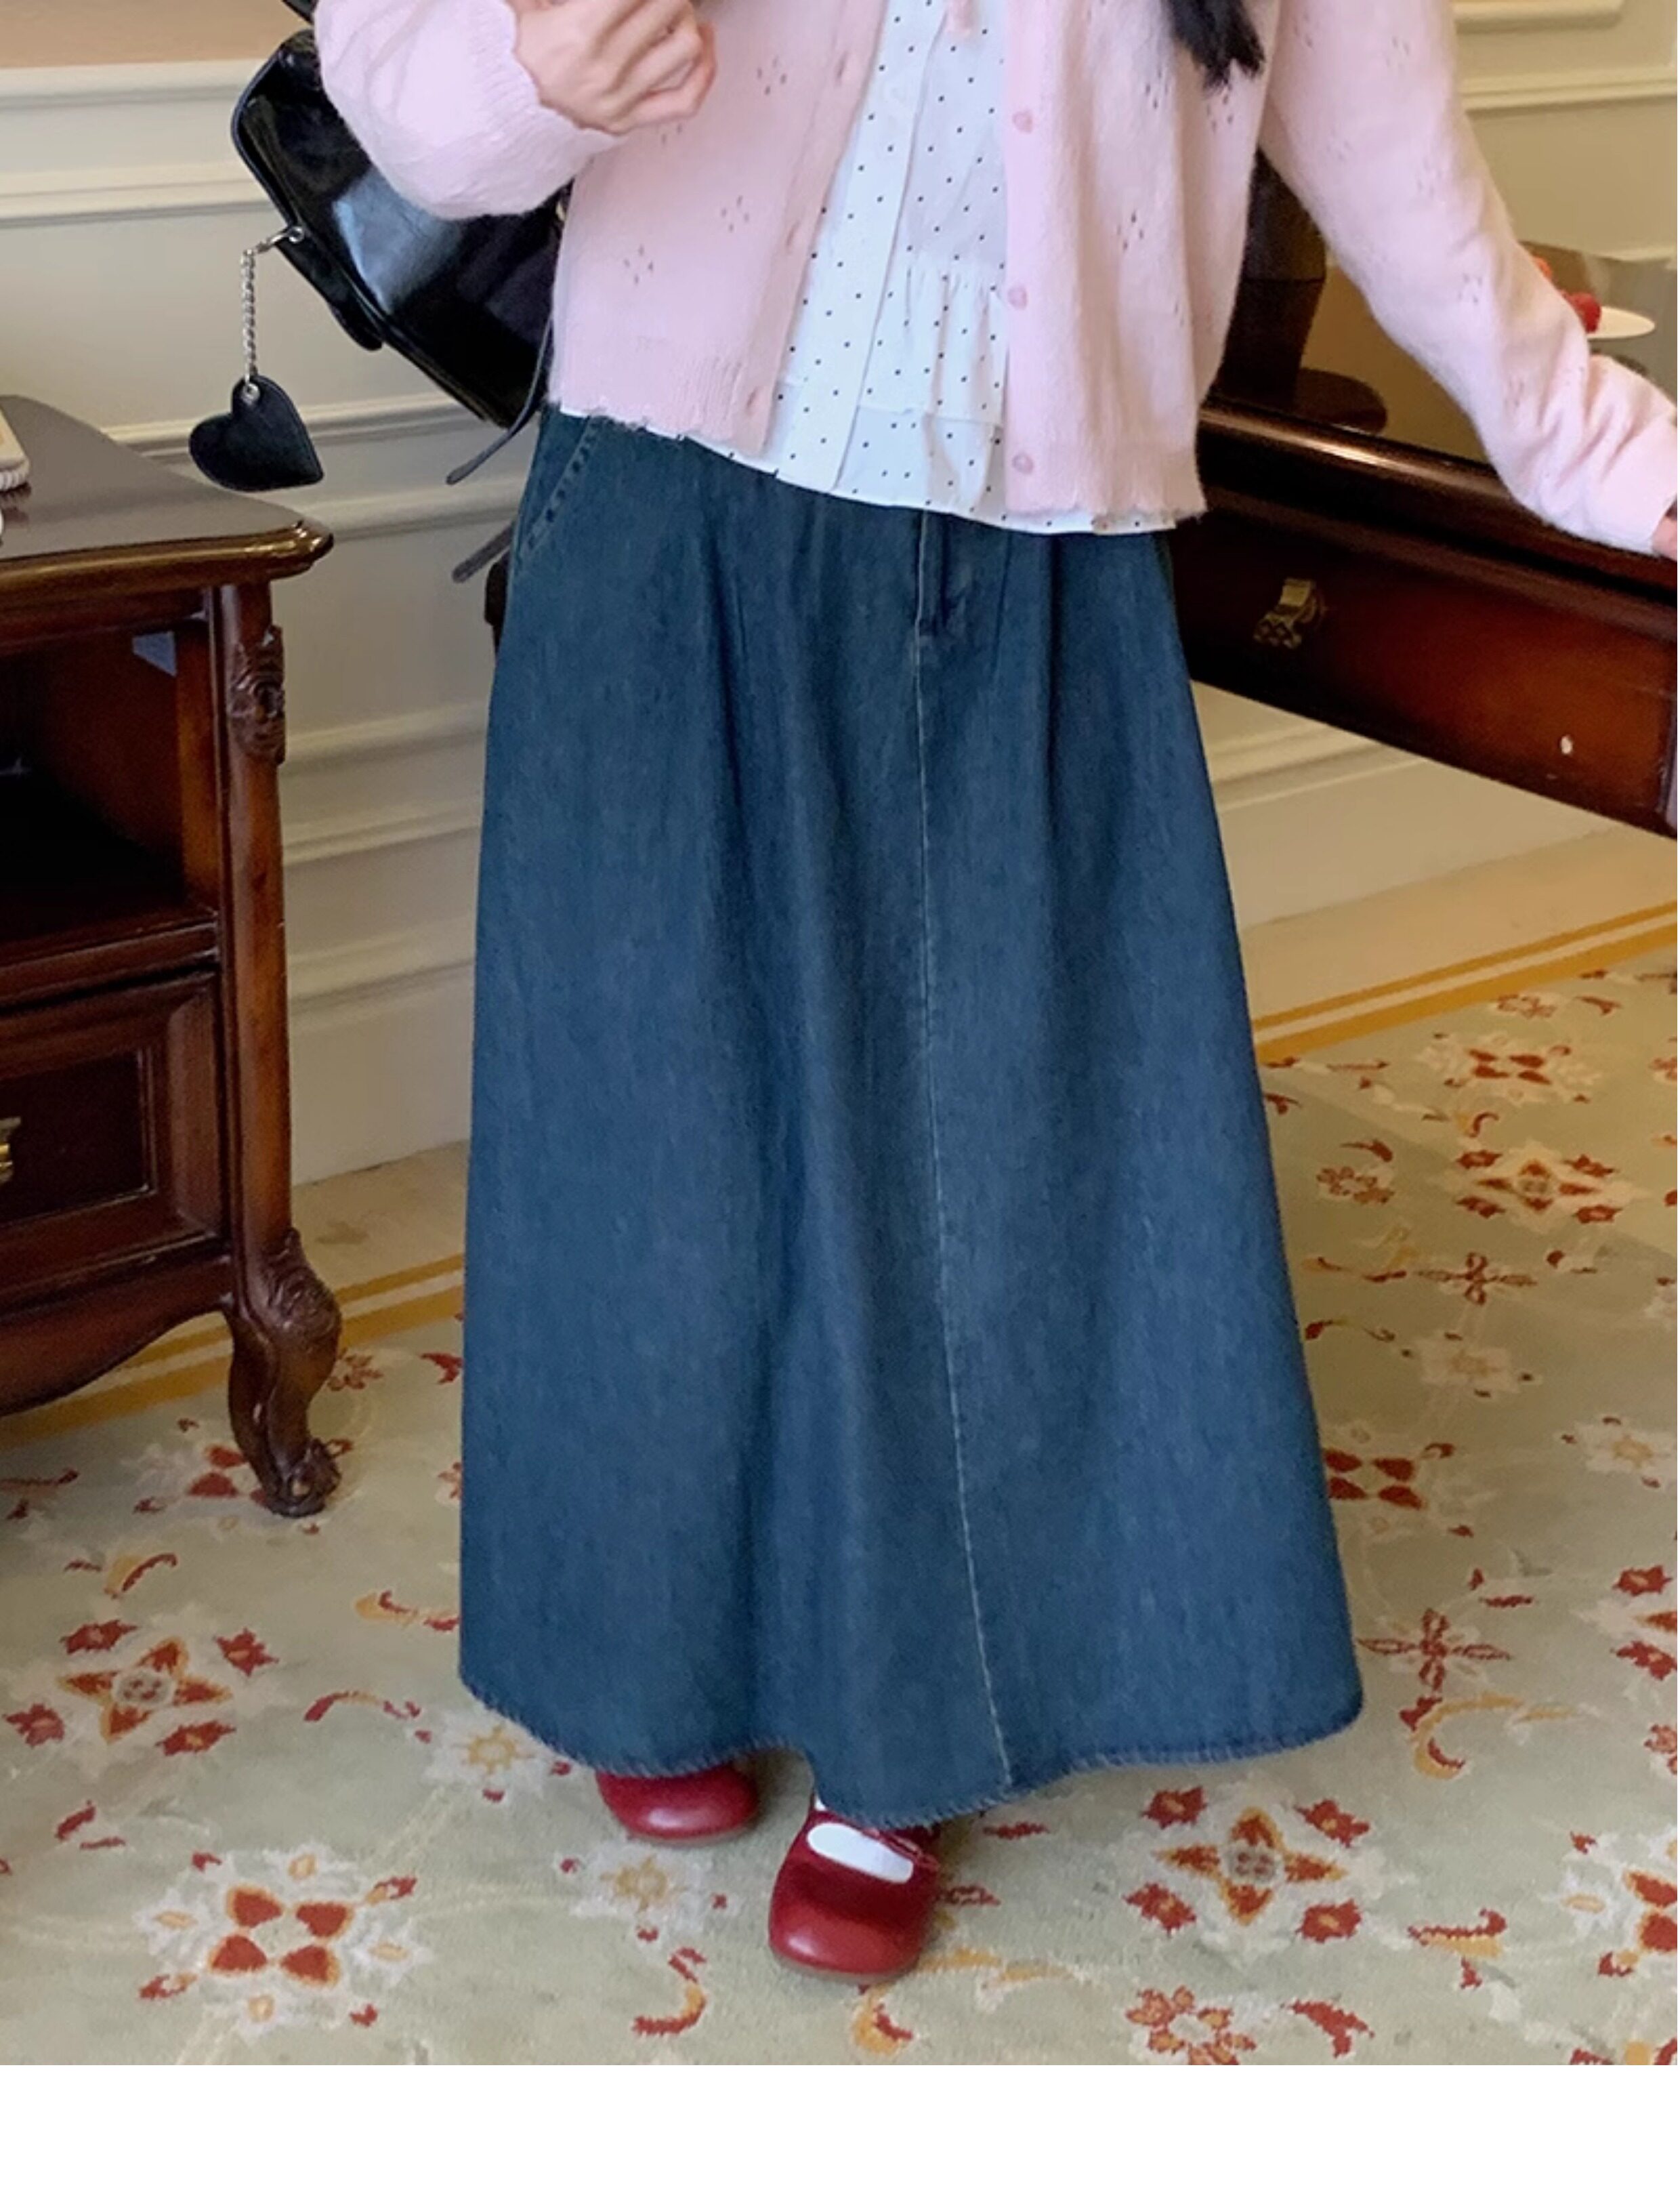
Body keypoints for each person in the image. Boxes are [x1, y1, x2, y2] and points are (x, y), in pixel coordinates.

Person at [317, 0, 1679, 1985]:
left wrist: (1604, 448)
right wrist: (534, 72)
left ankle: (905, 1741)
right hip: (666, 498)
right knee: (653, 1137)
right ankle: (651, 1651)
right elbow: (408, 91)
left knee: (982, 1177)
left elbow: (1401, 164)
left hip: (1030, 550)